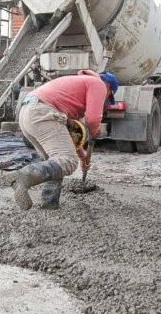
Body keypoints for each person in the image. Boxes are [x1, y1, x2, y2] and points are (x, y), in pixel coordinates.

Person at [10, 70, 119, 210]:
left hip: (29, 112)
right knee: (67, 161)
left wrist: (82, 157)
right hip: (43, 113)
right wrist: (95, 131)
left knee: (56, 161)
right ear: (109, 88)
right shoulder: (98, 84)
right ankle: (27, 175)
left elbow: (71, 132)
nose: (105, 100)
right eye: (108, 97)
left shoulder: (76, 87)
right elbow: (93, 119)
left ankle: (50, 203)